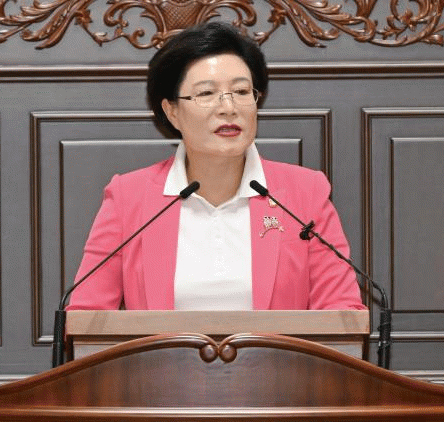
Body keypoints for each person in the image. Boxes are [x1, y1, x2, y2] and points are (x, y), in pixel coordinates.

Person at [67, 22, 365, 311]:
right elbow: (87, 318)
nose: (228, 108)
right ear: (172, 112)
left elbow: (342, 314)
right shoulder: (128, 198)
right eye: (206, 93)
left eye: (241, 91)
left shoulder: (305, 193)